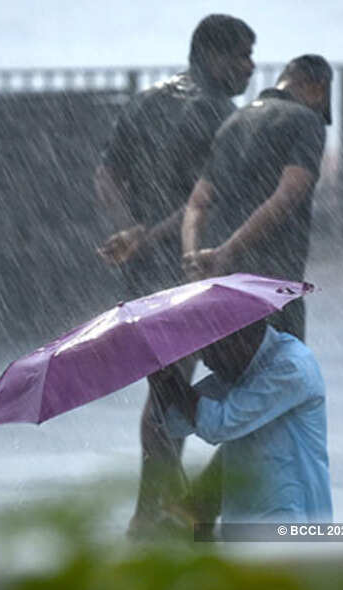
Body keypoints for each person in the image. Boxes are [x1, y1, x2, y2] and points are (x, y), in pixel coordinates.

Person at [93, 14, 256, 534]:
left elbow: (106, 175)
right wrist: (156, 236)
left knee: (165, 392)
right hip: (194, 268)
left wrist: (131, 231)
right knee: (254, 388)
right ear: (212, 56)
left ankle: (153, 511)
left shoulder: (146, 100)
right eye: (242, 55)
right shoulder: (218, 114)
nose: (250, 67)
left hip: (145, 274)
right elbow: (201, 200)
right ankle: (180, 512)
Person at [181, 55, 332, 342]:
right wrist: (229, 251)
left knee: (232, 377)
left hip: (225, 289)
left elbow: (197, 203)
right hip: (272, 285)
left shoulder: (236, 121)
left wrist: (192, 258)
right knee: (283, 375)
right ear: (319, 88)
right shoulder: (306, 121)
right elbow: (287, 196)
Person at [149, 319, 332, 524]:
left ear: (240, 339)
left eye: (211, 351)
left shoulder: (290, 366)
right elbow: (175, 422)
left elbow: (219, 424)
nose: (207, 362)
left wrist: (174, 383)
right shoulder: (236, 365)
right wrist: (162, 381)